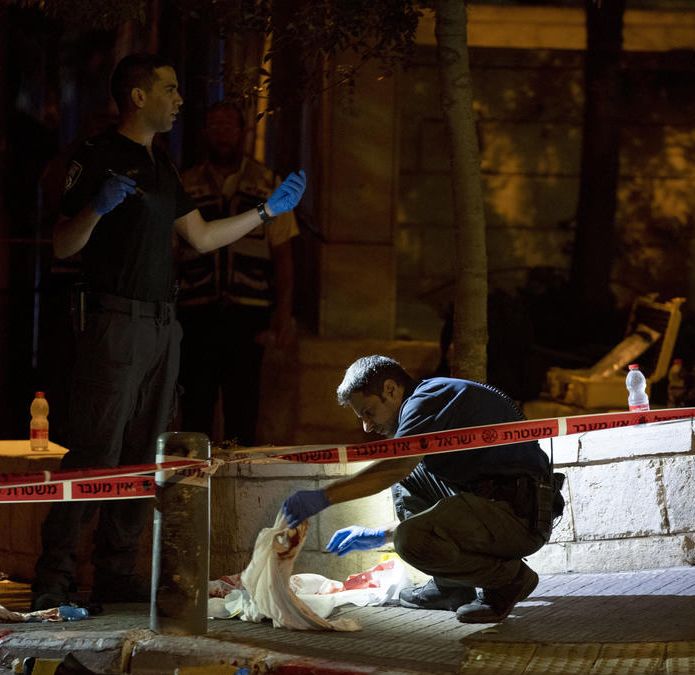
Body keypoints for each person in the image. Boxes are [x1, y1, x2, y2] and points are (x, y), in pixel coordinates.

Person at [31, 53, 307, 611]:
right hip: (112, 322)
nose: (181, 100)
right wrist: (95, 209)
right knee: (95, 453)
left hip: (162, 326)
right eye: (171, 88)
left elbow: (201, 237)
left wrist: (266, 212)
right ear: (138, 96)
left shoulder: (162, 164)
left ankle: (115, 572)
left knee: (143, 454)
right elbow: (62, 243)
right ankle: (54, 577)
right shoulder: (98, 155)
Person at [279, 355, 565, 624]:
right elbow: (432, 502)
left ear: (390, 390)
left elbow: (394, 469)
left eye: (368, 412)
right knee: (411, 473)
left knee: (408, 533)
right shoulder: (428, 401)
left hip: (520, 517)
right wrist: (379, 534)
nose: (366, 427)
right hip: (496, 507)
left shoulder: (426, 400)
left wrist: (323, 497)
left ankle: (509, 580)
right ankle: (451, 588)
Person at [175, 102, 299, 445]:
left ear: (243, 133)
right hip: (195, 314)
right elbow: (172, 254)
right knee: (195, 408)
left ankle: (238, 489)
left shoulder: (269, 185)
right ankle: (194, 488)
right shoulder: (184, 185)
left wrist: (283, 316)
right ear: (204, 133)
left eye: (229, 126)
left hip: (248, 317)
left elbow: (283, 254)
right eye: (214, 126)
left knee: (243, 412)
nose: (222, 134)